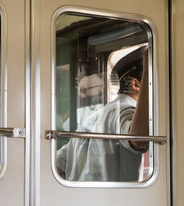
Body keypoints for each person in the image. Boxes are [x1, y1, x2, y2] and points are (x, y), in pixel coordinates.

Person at [56, 46, 149, 181]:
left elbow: (58, 166)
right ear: (136, 84)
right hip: (116, 201)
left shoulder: (91, 119)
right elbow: (139, 139)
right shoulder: (124, 112)